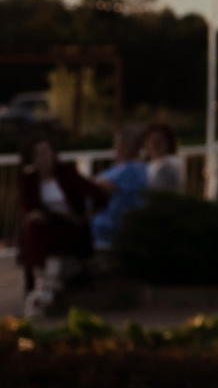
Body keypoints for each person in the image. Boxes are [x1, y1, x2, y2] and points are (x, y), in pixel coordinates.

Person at [14, 134, 104, 316]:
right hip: (45, 228)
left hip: (71, 227)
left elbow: (98, 194)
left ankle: (41, 287)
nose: (43, 157)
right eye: (38, 154)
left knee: (34, 233)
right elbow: (28, 207)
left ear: (54, 154)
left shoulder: (67, 172)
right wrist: (35, 214)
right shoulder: (29, 180)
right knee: (34, 228)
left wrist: (87, 214)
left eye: (46, 152)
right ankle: (41, 283)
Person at [90, 127, 154, 255]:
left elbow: (100, 186)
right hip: (99, 223)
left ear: (128, 146)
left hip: (111, 229)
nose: (114, 147)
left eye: (117, 143)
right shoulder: (121, 166)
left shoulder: (133, 170)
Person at [141, 122, 186, 193]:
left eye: (159, 140)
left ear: (168, 143)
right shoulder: (150, 164)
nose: (154, 144)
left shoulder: (171, 163)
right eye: (150, 140)